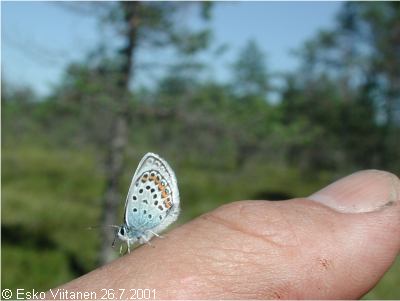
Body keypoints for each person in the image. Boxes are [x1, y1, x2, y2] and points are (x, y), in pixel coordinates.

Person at [48, 170, 399, 299]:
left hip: (154, 219)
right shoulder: (131, 234)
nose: (120, 236)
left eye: (121, 233)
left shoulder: (135, 226)